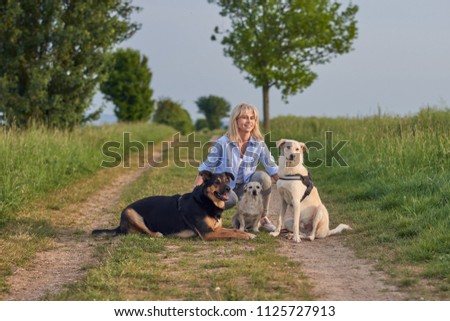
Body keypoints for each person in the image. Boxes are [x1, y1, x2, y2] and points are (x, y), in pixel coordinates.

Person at [194, 102, 279, 232]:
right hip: (225, 188)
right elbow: (206, 167)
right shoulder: (223, 143)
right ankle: (204, 217)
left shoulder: (259, 144)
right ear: (236, 120)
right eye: (244, 117)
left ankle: (262, 217)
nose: (249, 121)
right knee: (231, 199)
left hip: (246, 187)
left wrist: (290, 186)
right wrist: (194, 194)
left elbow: (273, 169)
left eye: (252, 118)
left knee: (264, 178)